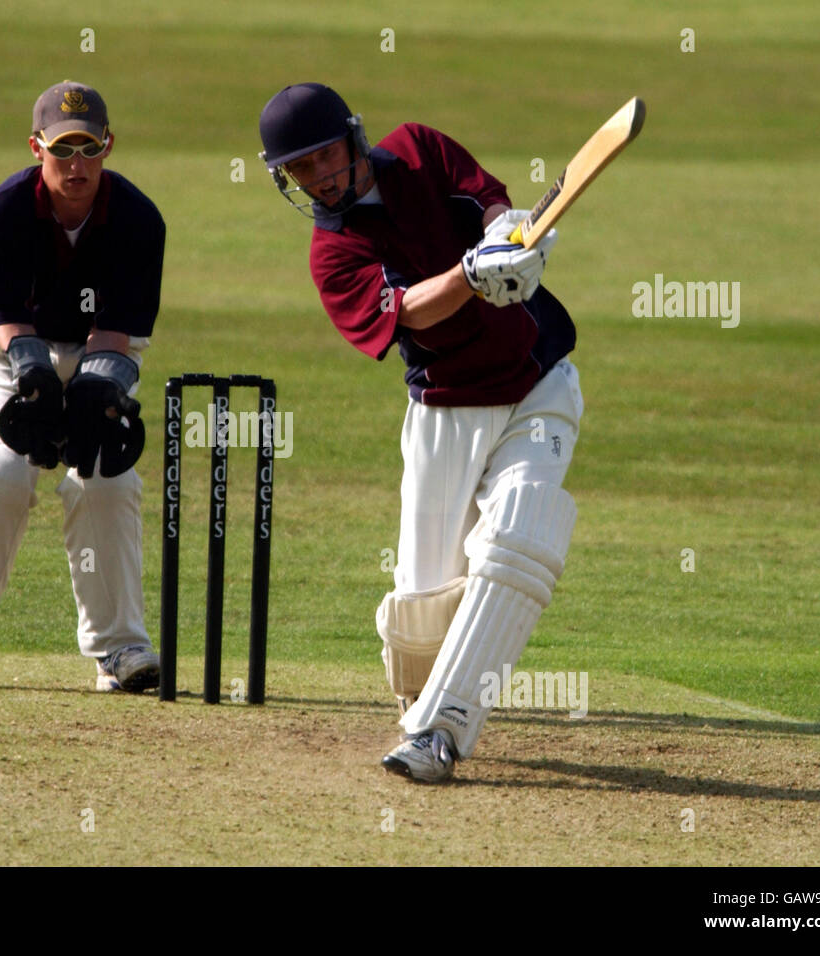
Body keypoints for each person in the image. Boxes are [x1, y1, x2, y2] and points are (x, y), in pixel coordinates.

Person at [258, 83, 584, 782]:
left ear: (352, 137)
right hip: (445, 412)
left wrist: (511, 238)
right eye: (299, 171)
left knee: (519, 538)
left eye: (322, 159)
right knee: (420, 614)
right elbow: (408, 312)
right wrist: (472, 273)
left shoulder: (417, 149)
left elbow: (491, 202)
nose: (316, 178)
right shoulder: (332, 254)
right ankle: (423, 695)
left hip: (538, 383)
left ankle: (439, 733)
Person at [0, 81, 166, 694]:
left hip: (101, 350)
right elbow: (4, 321)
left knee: (107, 479)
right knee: (1, 472)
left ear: (108, 146)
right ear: (36, 146)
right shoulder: (5, 211)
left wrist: (93, 393)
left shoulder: (139, 220)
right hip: (9, 348)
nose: (76, 165)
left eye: (89, 149)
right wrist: (35, 375)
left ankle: (120, 651)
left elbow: (117, 331)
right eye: (63, 150)